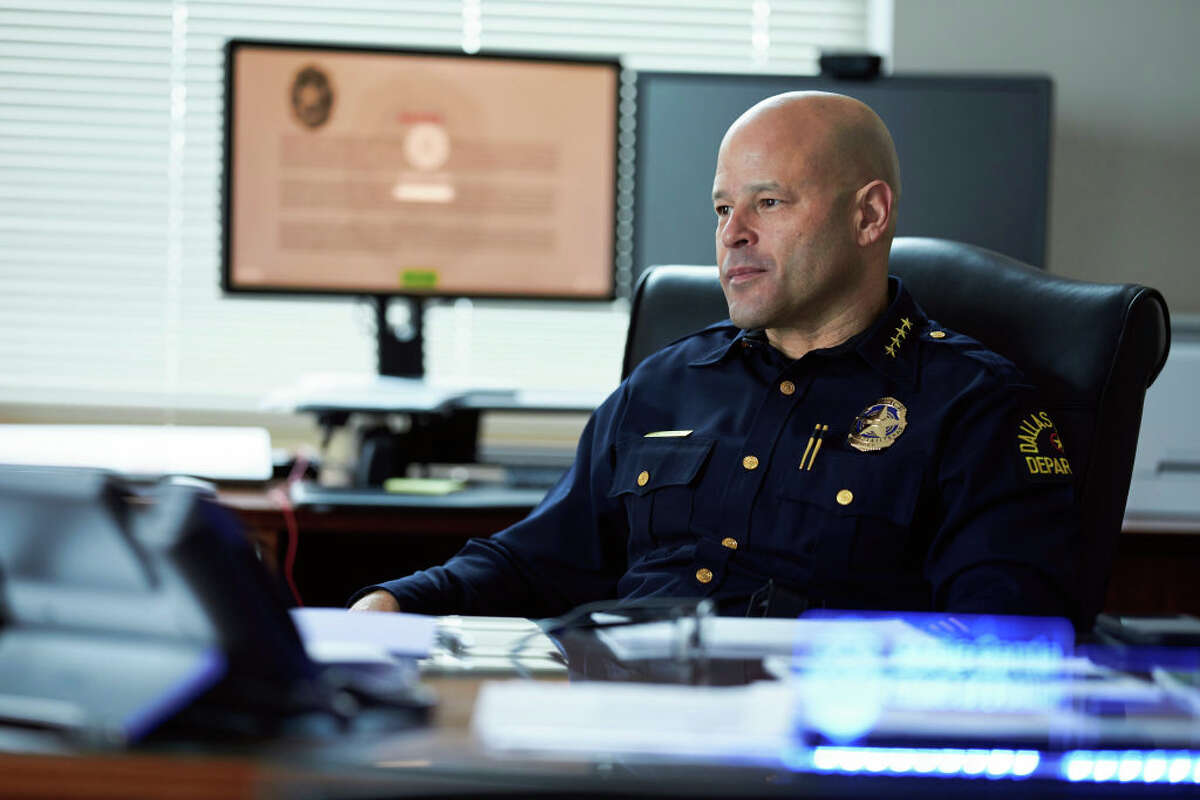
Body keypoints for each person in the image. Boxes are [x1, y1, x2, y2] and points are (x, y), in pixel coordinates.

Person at [350, 91, 1079, 622]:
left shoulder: (974, 407)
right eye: (723, 208)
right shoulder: (666, 384)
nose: (733, 234)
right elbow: (536, 559)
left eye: (769, 203)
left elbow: (1007, 640)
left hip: (816, 748)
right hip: (622, 734)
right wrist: (396, 602)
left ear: (869, 214)